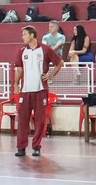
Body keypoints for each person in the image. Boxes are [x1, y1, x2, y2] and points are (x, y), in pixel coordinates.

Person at [12, 25, 63, 159]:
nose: (22, 37)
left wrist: (51, 75)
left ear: (32, 35)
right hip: (25, 91)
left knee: (40, 120)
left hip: (41, 90)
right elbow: (19, 69)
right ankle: (21, 147)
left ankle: (36, 147)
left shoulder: (45, 49)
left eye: (24, 34)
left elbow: (59, 62)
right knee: (22, 119)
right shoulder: (21, 51)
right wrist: (15, 83)